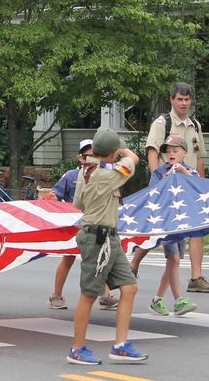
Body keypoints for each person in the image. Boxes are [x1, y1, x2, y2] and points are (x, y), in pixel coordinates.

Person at [67, 127, 147, 365]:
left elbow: (78, 203)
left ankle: (120, 345)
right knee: (89, 294)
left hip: (109, 237)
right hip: (97, 238)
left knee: (129, 286)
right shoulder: (111, 173)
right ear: (112, 154)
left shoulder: (86, 171)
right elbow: (134, 158)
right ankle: (77, 349)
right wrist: (122, 149)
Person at [139, 82, 209, 294]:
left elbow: (199, 157)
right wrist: (158, 180)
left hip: (189, 185)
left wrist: (201, 185)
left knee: (197, 227)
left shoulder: (195, 126)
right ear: (171, 100)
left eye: (187, 99)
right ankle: (134, 263)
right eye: (180, 99)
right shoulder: (162, 123)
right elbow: (153, 152)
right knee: (158, 230)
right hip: (168, 185)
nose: (184, 103)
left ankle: (196, 277)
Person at [48, 139, 120, 311]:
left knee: (98, 258)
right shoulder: (71, 176)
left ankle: (105, 295)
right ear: (80, 158)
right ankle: (56, 295)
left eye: (94, 155)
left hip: (95, 224)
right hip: (73, 225)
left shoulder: (105, 174)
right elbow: (55, 196)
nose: (91, 159)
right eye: (87, 156)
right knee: (68, 259)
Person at [145, 136, 197, 318]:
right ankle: (179, 299)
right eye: (168, 151)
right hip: (165, 221)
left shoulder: (190, 171)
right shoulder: (160, 172)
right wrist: (168, 178)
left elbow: (198, 189)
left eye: (176, 151)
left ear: (185, 153)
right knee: (173, 258)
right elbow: (153, 193)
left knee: (173, 262)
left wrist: (183, 173)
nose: (171, 154)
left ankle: (157, 299)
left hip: (181, 222)